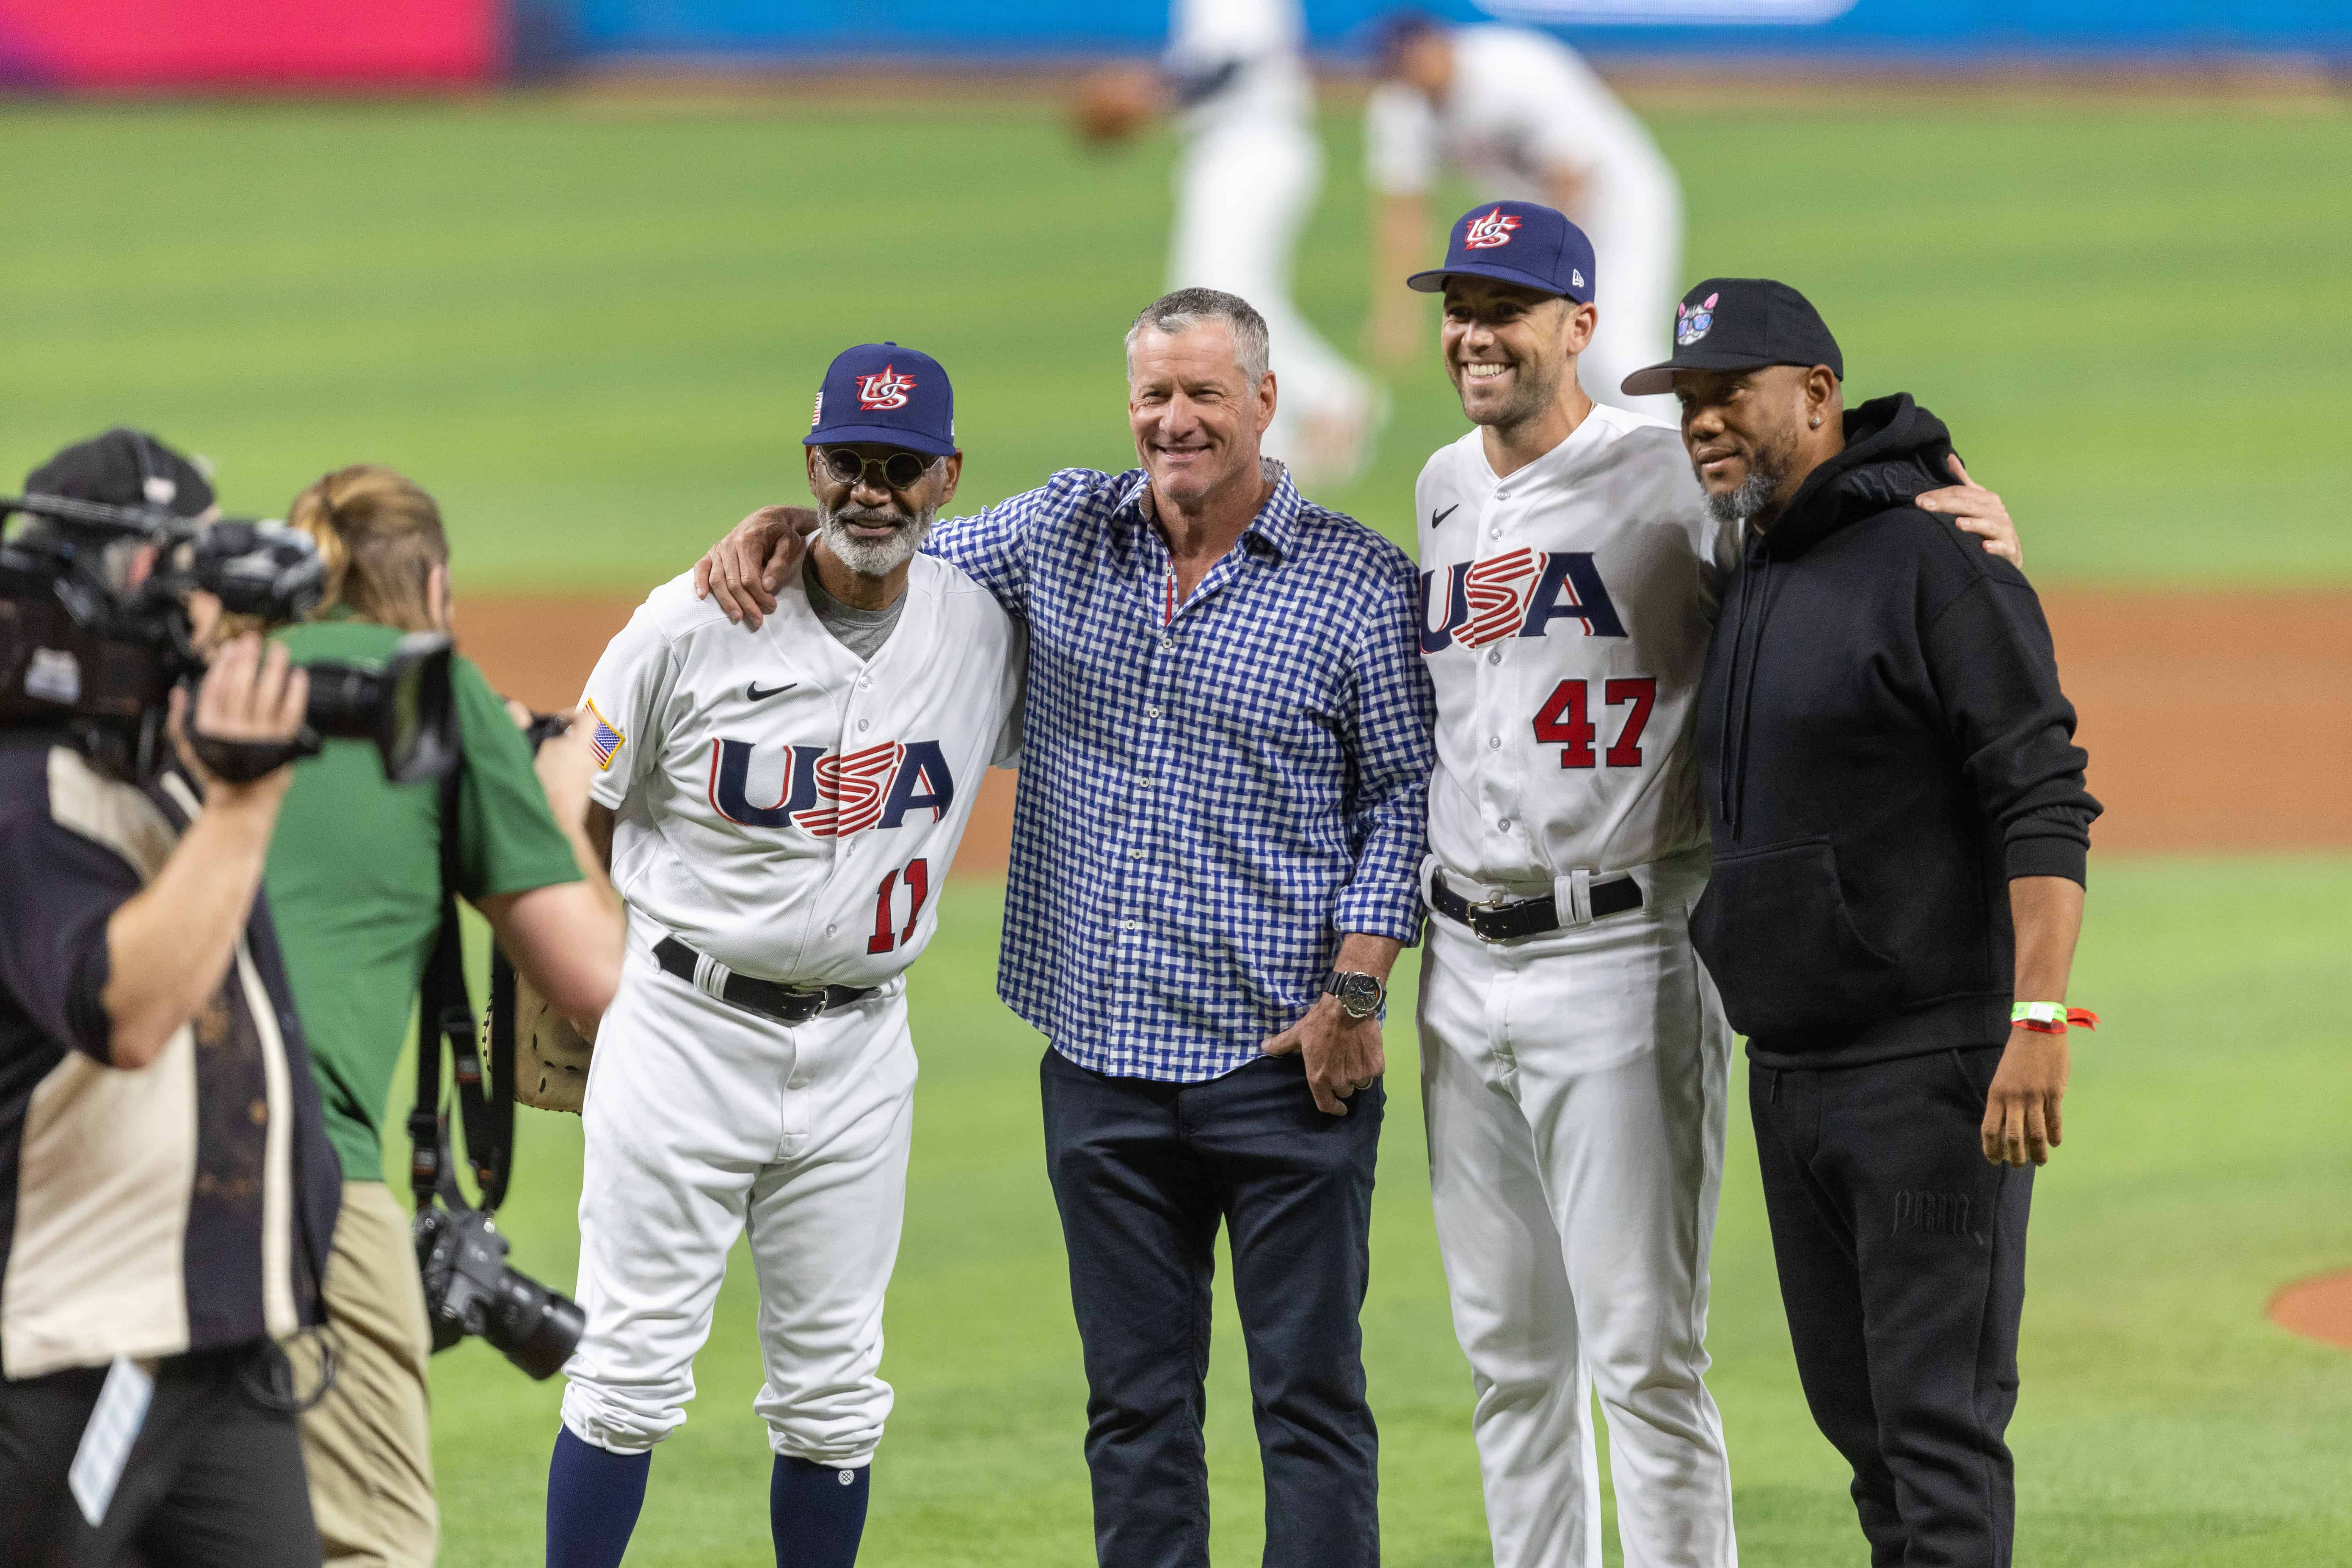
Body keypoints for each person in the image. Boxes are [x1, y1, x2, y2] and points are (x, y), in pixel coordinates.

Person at [693, 290, 1433, 1568]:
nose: (1176, 419)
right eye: (1155, 394)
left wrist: (1358, 991)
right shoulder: (1057, 531)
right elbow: (893, 551)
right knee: (1134, 1412)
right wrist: (784, 529)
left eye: (1205, 393)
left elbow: (1408, 794)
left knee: (1309, 1404)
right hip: (1099, 1067)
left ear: (1267, 402)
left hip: (1284, 1065)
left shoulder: (1354, 582)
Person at [1398, 207, 2024, 1568]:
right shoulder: (1442, 486)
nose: (1474, 333)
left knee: (1644, 1359)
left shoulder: (1673, 470)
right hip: (1462, 967)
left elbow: (1837, 515)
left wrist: (1951, 494)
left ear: (1577, 324)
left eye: (1507, 307)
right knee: (1508, 1359)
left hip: (1624, 949)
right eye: (1459, 304)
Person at [1629, 277, 2097, 1568]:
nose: (1705, 422)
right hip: (1793, 1075)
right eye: (1688, 402)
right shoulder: (1753, 560)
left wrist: (2040, 1019)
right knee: (1870, 1441)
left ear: (1819, 396)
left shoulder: (1939, 560)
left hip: (1930, 1074)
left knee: (1938, 1440)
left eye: (1732, 392)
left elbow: (2043, 795)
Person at [543, 343, 1025, 1568]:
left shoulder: (978, 628)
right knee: (627, 1367)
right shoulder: (691, 621)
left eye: (899, 467)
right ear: (810, 465)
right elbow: (568, 789)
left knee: (833, 1390)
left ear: (947, 477)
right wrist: (580, 964)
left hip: (861, 1051)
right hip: (685, 1027)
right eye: (847, 463)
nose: (871, 490)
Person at [223, 464, 625, 1568]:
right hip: (303, 1180)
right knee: (368, 1549)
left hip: (97, 1181)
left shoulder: (214, 680)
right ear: (437, 588)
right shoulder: (437, 699)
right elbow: (594, 979)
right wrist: (546, 793)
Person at [0, 432, 343, 1565]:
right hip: (76, 1340)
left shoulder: (134, 766)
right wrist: (245, 808)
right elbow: (128, 1011)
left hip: (213, 1333)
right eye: (182, 576)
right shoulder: (29, 788)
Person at [1073, 0, 1381, 486]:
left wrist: (1150, 92)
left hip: (1252, 146)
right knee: (1213, 299)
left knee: (1222, 304)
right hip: (1232, 149)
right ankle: (1290, 425)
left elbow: (1232, 67)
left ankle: (1331, 397)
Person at [1362, 11, 1682, 419]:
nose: (1412, 76)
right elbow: (1405, 212)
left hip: (1620, 208)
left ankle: (1686, 464)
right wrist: (1398, 314)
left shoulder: (1514, 70)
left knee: (1616, 353)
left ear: (1441, 44)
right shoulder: (1401, 108)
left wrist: (1543, 274)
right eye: (1399, 69)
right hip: (1542, 229)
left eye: (1414, 60)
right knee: (1564, 365)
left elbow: (1571, 176)